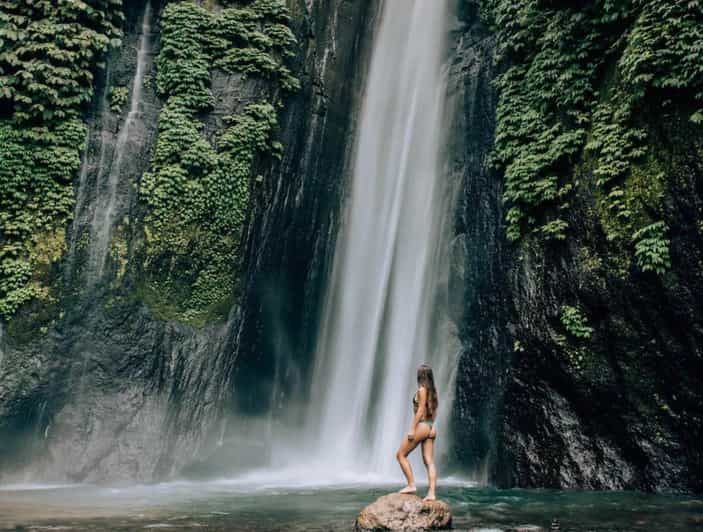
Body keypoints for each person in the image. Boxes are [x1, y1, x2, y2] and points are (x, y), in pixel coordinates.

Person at [396, 363, 438, 501]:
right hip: (430, 426)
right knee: (429, 461)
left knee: (401, 455)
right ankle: (431, 494)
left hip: (422, 425)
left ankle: (411, 484)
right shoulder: (433, 391)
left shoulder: (421, 390)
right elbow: (433, 410)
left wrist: (412, 429)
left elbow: (420, 411)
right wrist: (432, 427)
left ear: (420, 376)